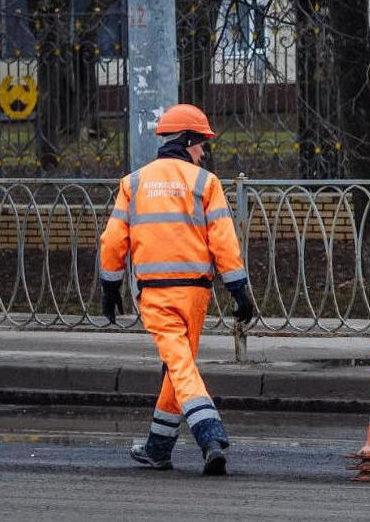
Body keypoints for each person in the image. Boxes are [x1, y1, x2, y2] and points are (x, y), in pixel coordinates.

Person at [98, 103, 255, 475]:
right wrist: (239, 288)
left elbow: (112, 240)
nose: (203, 151)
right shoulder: (206, 182)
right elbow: (224, 240)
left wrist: (110, 285)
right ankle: (158, 448)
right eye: (200, 143)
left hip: (155, 295)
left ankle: (209, 436)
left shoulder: (133, 183)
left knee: (179, 367)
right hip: (196, 294)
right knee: (179, 366)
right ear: (185, 141)